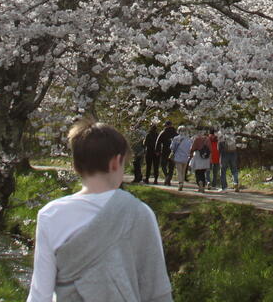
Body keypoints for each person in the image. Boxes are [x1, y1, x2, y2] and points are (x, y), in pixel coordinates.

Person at [27, 120, 172, 302]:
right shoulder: (140, 213)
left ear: (75, 165)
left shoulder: (51, 215)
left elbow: (40, 294)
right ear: (115, 162)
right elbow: (156, 291)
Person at [170, 126, 193, 191]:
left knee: (179, 171)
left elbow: (172, 147)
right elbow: (190, 148)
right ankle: (182, 182)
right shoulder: (188, 139)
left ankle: (180, 183)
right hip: (185, 157)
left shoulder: (175, 138)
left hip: (178, 156)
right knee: (183, 171)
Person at [156, 122, 177, 186]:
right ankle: (168, 179)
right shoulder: (175, 133)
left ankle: (167, 176)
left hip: (165, 151)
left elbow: (158, 142)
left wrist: (157, 150)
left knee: (163, 165)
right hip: (173, 152)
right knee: (171, 166)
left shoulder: (163, 132)